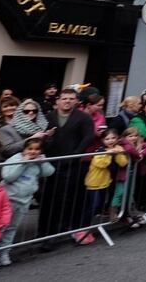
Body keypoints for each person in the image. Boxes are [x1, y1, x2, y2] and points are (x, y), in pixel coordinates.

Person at [37, 87, 94, 246]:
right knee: (48, 199)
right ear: (58, 100)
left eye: (71, 98)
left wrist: (76, 154)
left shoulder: (83, 118)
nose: (67, 101)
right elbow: (41, 136)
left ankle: (58, 231)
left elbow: (88, 137)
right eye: (64, 98)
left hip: (71, 164)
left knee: (66, 198)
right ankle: (43, 232)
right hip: (50, 162)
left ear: (76, 101)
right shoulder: (49, 117)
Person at [0, 138, 52, 268]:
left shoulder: (38, 161)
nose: (33, 152)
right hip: (8, 199)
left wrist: (42, 162)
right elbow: (8, 176)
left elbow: (49, 172)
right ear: (24, 149)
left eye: (37, 149)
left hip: (24, 200)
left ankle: (4, 253)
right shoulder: (16, 159)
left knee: (12, 228)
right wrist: (23, 163)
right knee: (1, 227)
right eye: (30, 149)